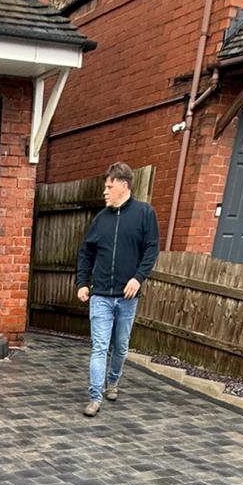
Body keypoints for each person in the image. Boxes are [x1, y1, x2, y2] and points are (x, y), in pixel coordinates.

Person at [75, 162, 160, 417]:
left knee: (121, 346)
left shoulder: (144, 214)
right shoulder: (101, 220)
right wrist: (82, 282)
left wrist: (138, 277)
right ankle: (94, 396)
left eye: (109, 187)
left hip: (127, 296)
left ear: (124, 186)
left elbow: (151, 249)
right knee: (99, 347)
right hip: (100, 295)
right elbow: (85, 252)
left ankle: (113, 382)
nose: (105, 192)